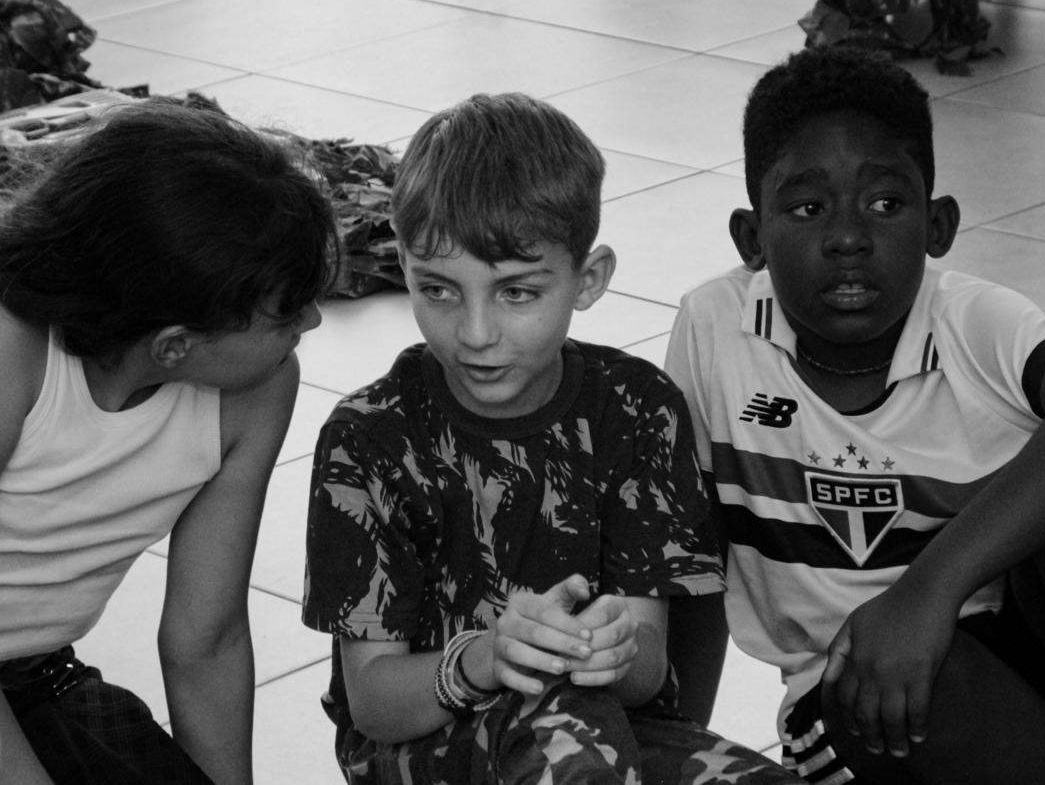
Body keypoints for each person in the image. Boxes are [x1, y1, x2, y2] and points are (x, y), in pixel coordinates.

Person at [664, 46, 1045, 785]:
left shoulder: (971, 320)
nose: (848, 237)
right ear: (752, 238)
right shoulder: (715, 329)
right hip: (853, 706)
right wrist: (676, 740)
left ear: (938, 224)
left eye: (885, 204)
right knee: (905, 674)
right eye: (809, 208)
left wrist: (926, 592)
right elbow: (689, 551)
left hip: (1018, 657)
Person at [301, 92, 796, 785]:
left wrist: (611, 652)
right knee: (563, 729)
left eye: (517, 292)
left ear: (587, 280)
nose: (475, 333)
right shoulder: (368, 438)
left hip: (612, 725)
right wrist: (485, 657)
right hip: (425, 743)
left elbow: (648, 669)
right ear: (404, 266)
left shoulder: (638, 408)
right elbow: (375, 704)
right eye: (438, 290)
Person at [0, 101, 336, 785]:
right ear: (174, 346)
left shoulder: (258, 388)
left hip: (29, 677)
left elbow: (205, 639)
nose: (313, 319)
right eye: (285, 312)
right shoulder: (13, 348)